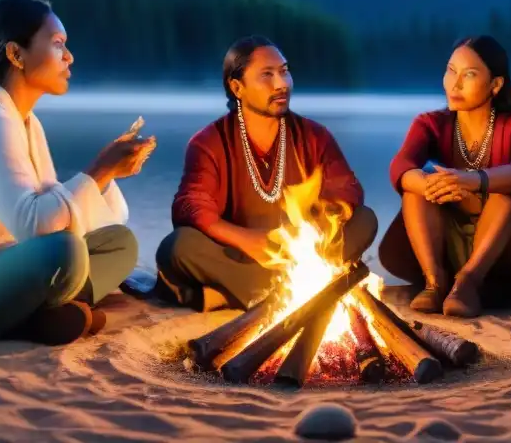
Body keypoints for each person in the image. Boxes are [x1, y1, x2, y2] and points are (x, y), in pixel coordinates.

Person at [0, 0, 156, 346]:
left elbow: (53, 204)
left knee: (119, 243)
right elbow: (34, 226)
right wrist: (98, 170)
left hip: (2, 268)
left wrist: (108, 176)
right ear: (15, 54)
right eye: (57, 45)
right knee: (63, 252)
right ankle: (42, 318)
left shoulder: (24, 120)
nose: (69, 57)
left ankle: (42, 315)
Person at [153, 36, 378, 312]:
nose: (281, 84)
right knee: (178, 246)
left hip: (303, 251)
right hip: (239, 255)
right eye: (267, 75)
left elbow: (347, 188)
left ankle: (234, 295)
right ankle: (288, 290)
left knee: (365, 219)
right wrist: (248, 240)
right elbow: (191, 205)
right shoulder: (209, 141)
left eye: (284, 71)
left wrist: (317, 222)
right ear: (237, 87)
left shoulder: (314, 136)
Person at [378, 35, 511, 318]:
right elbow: (400, 165)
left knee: (506, 194)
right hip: (445, 240)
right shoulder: (430, 123)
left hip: (503, 245)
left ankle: (467, 283)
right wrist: (431, 184)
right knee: (417, 185)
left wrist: (472, 180)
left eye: (470, 74)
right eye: (451, 71)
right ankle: (435, 281)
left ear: (495, 84)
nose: (455, 83)